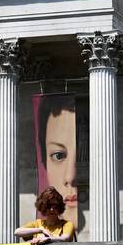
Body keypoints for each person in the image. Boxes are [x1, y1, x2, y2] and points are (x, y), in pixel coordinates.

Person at [35, 94, 80, 227]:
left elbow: (65, 238)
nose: (70, 177)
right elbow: (18, 232)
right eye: (58, 156)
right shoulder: (38, 224)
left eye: (82, 156)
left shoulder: (67, 226)